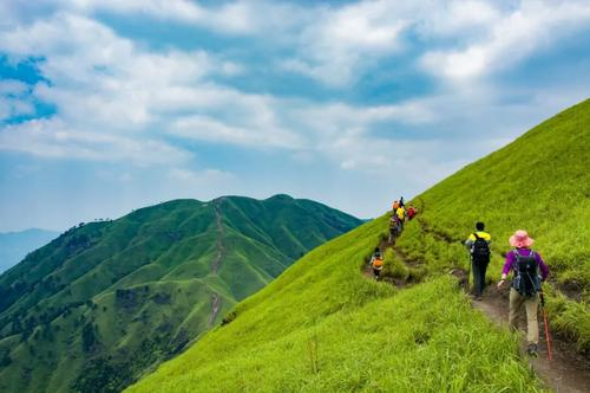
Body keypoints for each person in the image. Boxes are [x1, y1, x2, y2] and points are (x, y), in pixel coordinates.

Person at [497, 230, 549, 357]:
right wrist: (540, 280)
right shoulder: (535, 255)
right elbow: (545, 269)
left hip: (517, 289)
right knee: (532, 318)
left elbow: (507, 267)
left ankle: (512, 337)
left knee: (514, 313)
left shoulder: (512, 254)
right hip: (532, 290)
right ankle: (532, 345)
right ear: (527, 242)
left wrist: (503, 279)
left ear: (516, 242)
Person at [465, 222, 491, 300]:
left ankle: (478, 294)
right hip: (485, 257)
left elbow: (467, 244)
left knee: (476, 275)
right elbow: (488, 244)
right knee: (482, 274)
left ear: (476, 228)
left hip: (475, 258)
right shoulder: (488, 235)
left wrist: (470, 250)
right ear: (484, 227)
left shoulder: (473, 235)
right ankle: (482, 291)